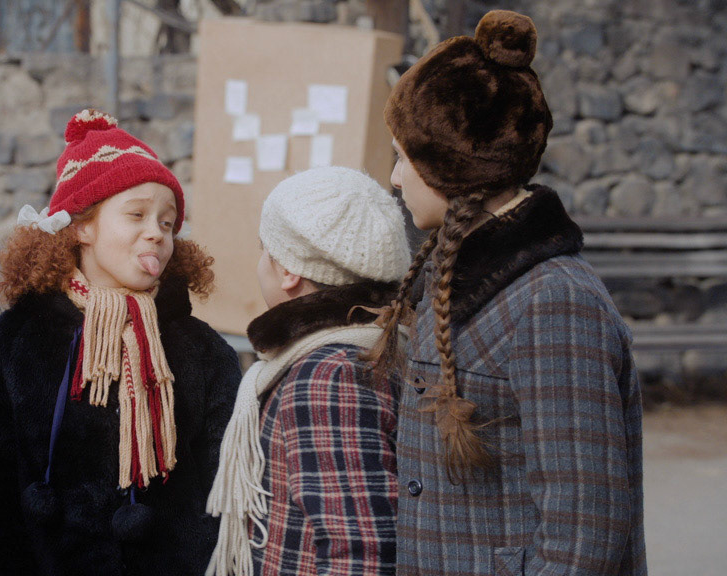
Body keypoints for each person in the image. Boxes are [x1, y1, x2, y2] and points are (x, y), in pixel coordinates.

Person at [372, 10, 647, 575]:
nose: (395, 178)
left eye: (403, 156)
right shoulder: (455, 276)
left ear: (452, 162)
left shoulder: (554, 302)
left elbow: (583, 534)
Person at [0, 109, 241, 576]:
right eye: (136, 215)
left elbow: (224, 490)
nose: (156, 233)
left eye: (168, 223)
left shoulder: (205, 353)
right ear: (81, 226)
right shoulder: (9, 344)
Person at [206, 166, 410, 576]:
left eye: (265, 249)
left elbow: (359, 550)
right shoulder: (362, 348)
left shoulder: (329, 376)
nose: (260, 261)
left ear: (288, 271)